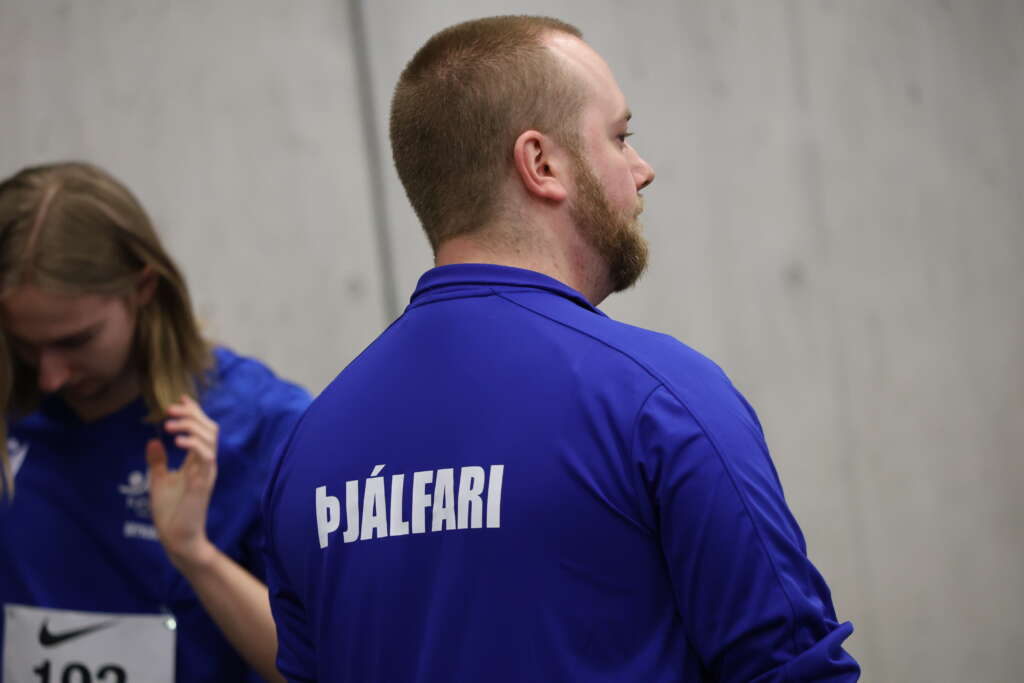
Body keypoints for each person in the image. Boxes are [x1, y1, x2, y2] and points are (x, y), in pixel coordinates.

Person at [262, 15, 860, 682]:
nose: (643, 170)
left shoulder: (308, 449)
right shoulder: (659, 398)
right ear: (541, 164)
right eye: (620, 137)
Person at [0, 161, 310, 682]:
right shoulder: (14, 411)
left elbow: (325, 664)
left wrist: (196, 555)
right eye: (26, 345)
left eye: (76, 341)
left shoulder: (261, 426)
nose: (50, 376)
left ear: (143, 286)